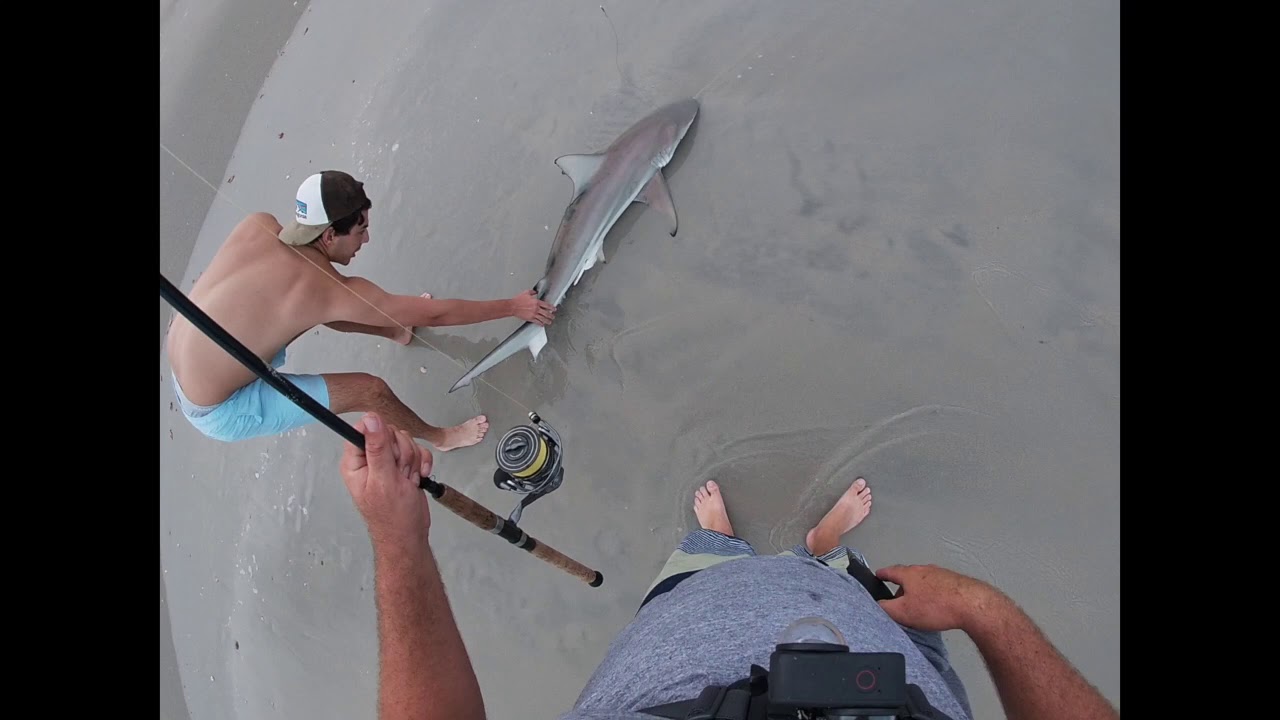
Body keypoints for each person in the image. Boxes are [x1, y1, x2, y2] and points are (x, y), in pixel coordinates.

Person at [339, 413, 1119, 720]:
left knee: (699, 573)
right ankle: (819, 552)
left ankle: (722, 551)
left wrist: (399, 541)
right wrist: (985, 609)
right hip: (875, 640)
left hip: (682, 627)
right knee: (849, 582)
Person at [165, 170, 556, 451]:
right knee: (371, 390)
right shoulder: (319, 288)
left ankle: (395, 331)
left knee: (325, 307)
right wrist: (513, 306)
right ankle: (441, 439)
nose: (366, 239)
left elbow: (312, 304)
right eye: (360, 230)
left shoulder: (260, 224)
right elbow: (434, 314)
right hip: (221, 406)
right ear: (330, 234)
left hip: (192, 357)